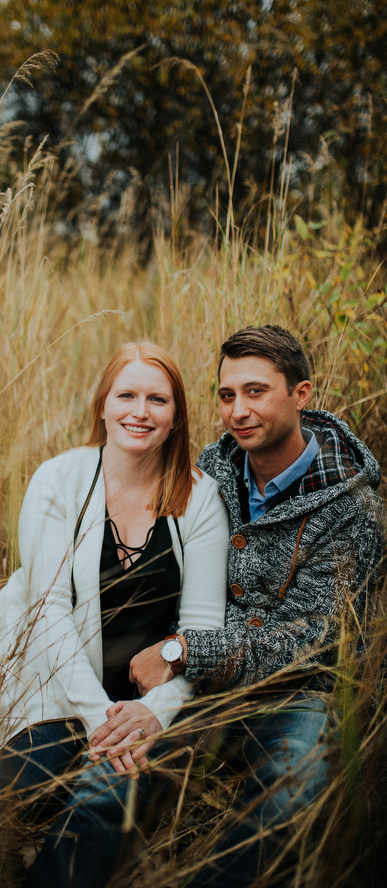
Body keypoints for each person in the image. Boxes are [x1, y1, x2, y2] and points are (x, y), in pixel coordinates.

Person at [0, 341, 229, 887]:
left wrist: (153, 713)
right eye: (126, 395)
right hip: (55, 687)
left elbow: (203, 631)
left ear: (176, 417)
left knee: (112, 793)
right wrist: (99, 716)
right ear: (102, 406)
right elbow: (47, 611)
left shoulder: (199, 498)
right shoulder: (58, 480)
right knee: (2, 800)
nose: (140, 412)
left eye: (158, 399)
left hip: (145, 707)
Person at [125, 325, 385, 886]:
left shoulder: (354, 508)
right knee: (118, 769)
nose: (238, 411)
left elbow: (311, 640)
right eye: (226, 395)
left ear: (301, 394)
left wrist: (183, 650)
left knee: (293, 792)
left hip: (295, 698)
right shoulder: (210, 471)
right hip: (199, 685)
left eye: (256, 391)